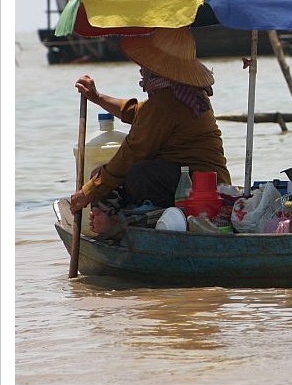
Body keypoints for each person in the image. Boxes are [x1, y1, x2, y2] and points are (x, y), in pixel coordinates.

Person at [69, 27, 231, 235]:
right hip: (211, 181)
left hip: (197, 185)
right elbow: (138, 113)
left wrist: (88, 191)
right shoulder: (182, 93)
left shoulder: (167, 101)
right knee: (114, 176)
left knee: (132, 173)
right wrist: (97, 97)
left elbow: (133, 152)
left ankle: (114, 226)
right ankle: (123, 220)